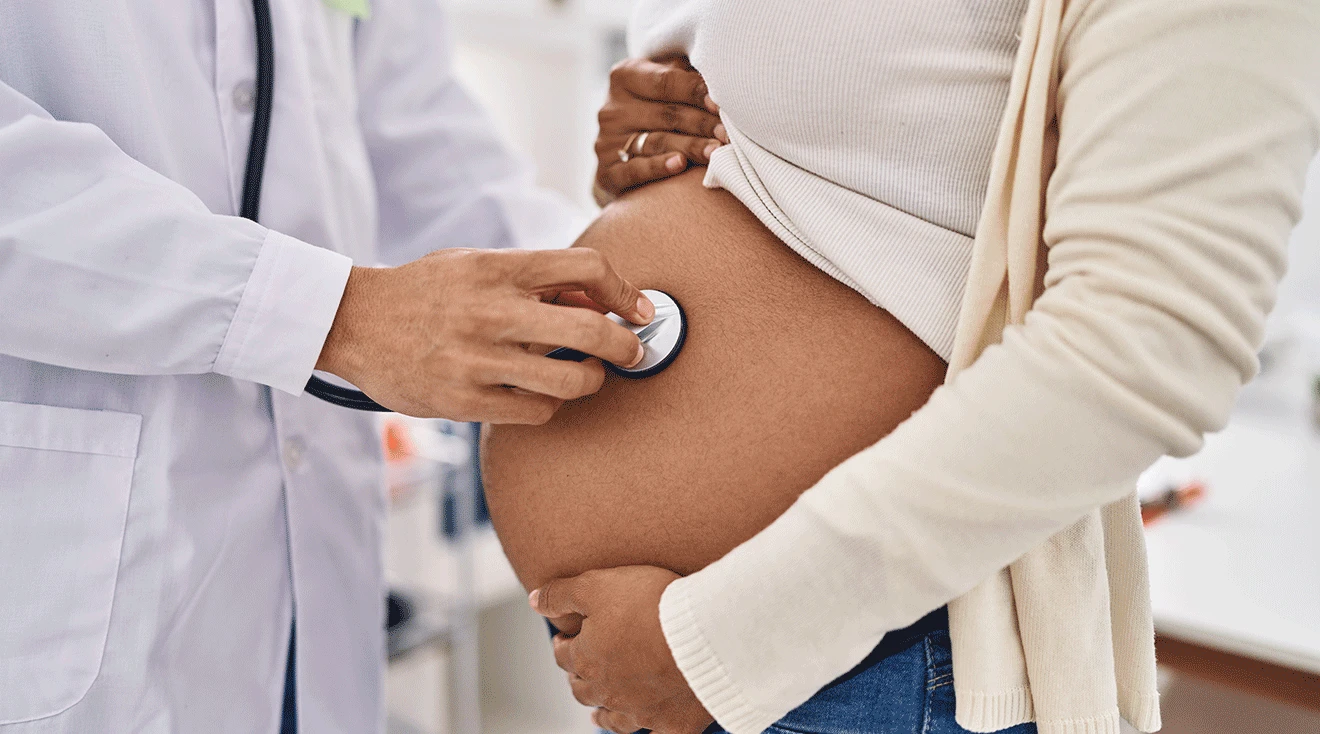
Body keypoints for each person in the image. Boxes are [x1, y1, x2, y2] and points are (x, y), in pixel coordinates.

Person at [480, 0, 1320, 732]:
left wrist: (725, 642)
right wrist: (645, 158)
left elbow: (1149, 342)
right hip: (684, 663)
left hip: (867, 670)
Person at [0, 1, 725, 732]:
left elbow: (414, 136)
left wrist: (598, 274)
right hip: (74, 569)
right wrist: (336, 315)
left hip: (309, 573)